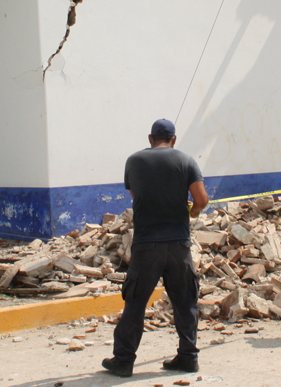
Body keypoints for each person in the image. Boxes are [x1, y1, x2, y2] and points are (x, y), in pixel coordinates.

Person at [102, 119, 210, 378]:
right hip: (179, 244)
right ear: (173, 139)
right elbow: (202, 200)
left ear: (150, 138)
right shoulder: (186, 161)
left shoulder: (134, 161)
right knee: (185, 301)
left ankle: (124, 360)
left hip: (146, 244)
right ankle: (188, 357)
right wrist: (192, 211)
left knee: (136, 303)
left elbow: (135, 196)